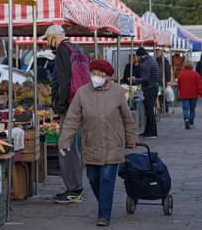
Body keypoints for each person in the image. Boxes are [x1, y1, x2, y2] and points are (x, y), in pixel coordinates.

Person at [59, 59, 138, 227]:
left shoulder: (117, 92)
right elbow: (72, 119)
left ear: (108, 76)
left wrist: (131, 139)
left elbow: (127, 117)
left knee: (107, 179)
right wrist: (64, 141)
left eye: (101, 74)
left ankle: (104, 215)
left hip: (113, 143)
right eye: (94, 73)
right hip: (91, 143)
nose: (97, 77)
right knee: (93, 179)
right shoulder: (82, 93)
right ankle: (104, 203)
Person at [41, 25, 84, 203]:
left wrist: (59, 105)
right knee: (74, 146)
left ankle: (74, 190)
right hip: (79, 101)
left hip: (70, 105)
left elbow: (65, 82)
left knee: (66, 146)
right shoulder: (76, 48)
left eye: (47, 40)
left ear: (53, 38)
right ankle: (75, 187)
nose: (47, 44)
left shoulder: (62, 51)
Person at [132, 47, 159, 138]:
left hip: (149, 88)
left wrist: (135, 79)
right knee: (149, 110)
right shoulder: (151, 61)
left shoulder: (146, 63)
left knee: (149, 111)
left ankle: (153, 132)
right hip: (153, 87)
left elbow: (146, 79)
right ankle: (147, 130)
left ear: (140, 55)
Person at [178, 60, 202, 129]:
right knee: (192, 109)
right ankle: (191, 123)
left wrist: (180, 91)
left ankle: (186, 119)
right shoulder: (196, 74)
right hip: (193, 94)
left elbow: (179, 85)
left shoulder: (181, 74)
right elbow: (199, 85)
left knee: (185, 108)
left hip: (184, 94)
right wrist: (200, 93)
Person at [156, 49, 171, 115]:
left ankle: (165, 109)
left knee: (162, 96)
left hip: (162, 80)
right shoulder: (157, 60)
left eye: (157, 53)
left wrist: (168, 80)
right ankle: (161, 110)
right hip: (159, 79)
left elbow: (167, 71)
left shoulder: (164, 60)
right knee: (160, 96)